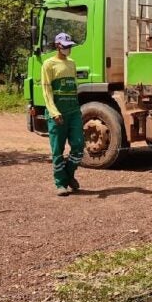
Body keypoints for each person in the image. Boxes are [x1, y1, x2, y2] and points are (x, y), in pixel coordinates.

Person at [41, 32, 85, 196]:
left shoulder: (72, 63)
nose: (68, 49)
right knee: (57, 150)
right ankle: (61, 183)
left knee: (79, 145)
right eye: (66, 46)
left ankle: (69, 173)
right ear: (58, 46)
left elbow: (73, 87)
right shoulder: (48, 64)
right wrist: (54, 112)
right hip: (57, 113)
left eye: (70, 46)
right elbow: (46, 91)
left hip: (73, 111)